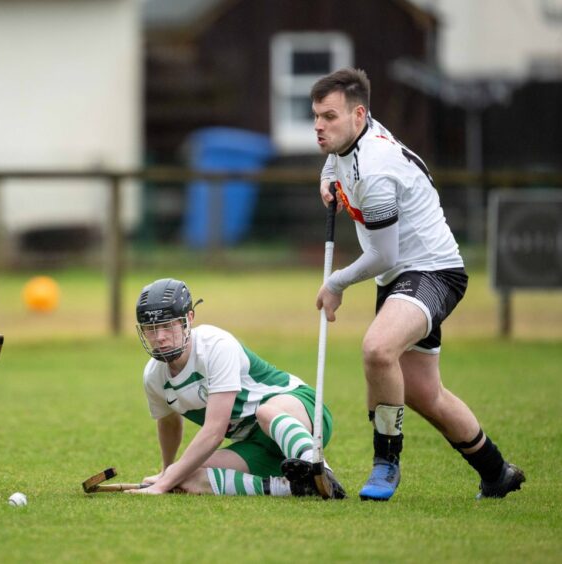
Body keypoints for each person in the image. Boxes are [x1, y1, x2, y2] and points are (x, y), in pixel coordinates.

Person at [311, 68, 525, 501]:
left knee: (377, 349)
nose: (319, 126)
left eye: (328, 117)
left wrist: (336, 282)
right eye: (315, 116)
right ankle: (497, 472)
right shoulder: (353, 136)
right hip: (398, 275)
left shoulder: (376, 170)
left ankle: (386, 461)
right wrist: (325, 182)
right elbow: (334, 161)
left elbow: (383, 255)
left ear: (358, 114)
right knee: (425, 393)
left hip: (433, 271)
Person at [126, 277, 345, 499]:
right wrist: (167, 472)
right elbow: (169, 423)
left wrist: (161, 486)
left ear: (188, 319)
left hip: (301, 415)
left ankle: (320, 469)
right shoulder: (154, 376)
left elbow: (215, 431)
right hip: (257, 444)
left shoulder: (215, 345)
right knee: (187, 476)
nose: (159, 337)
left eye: (167, 326)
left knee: (265, 412)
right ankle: (295, 488)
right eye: (151, 329)